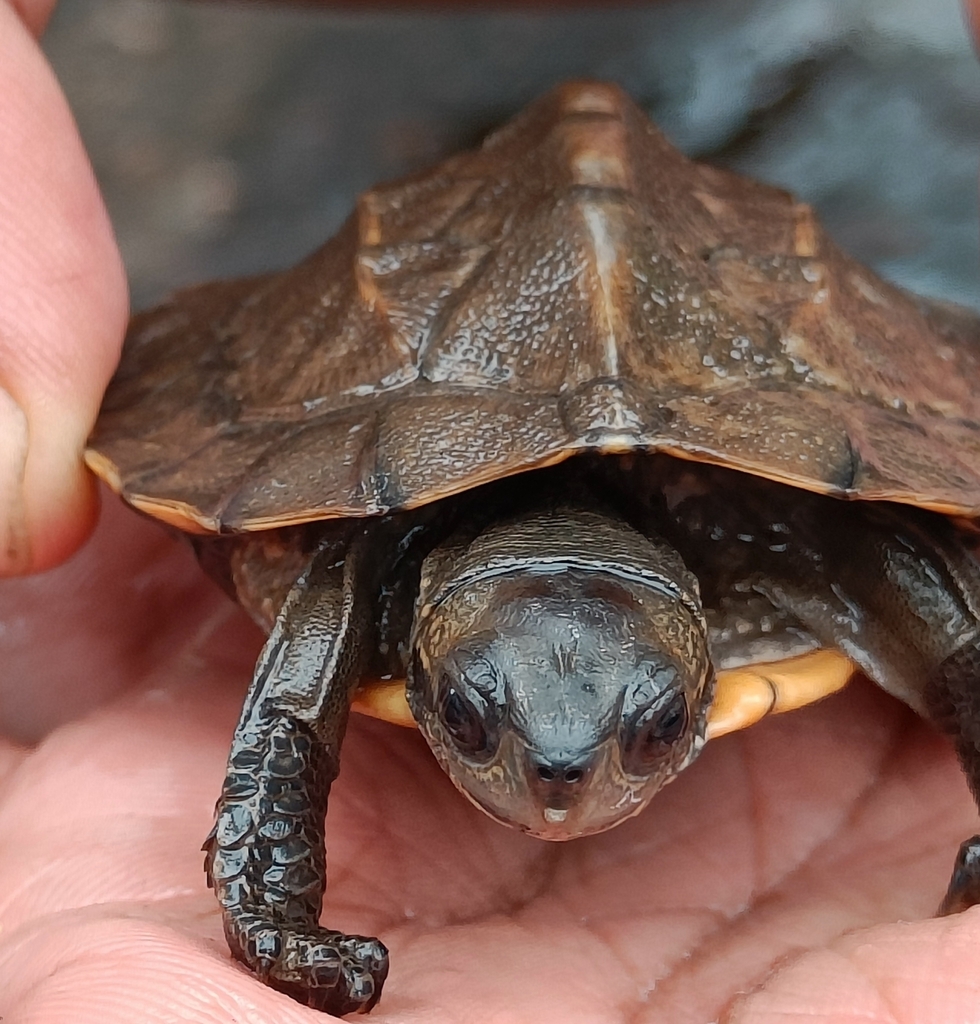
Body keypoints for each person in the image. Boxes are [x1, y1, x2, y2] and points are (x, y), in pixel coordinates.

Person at [4, 0, 980, 1019]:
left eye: (650, 729)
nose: (556, 779)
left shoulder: (799, 522)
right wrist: (272, 902)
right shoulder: (365, 572)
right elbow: (299, 687)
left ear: (687, 675)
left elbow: (940, 618)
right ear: (433, 660)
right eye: (469, 717)